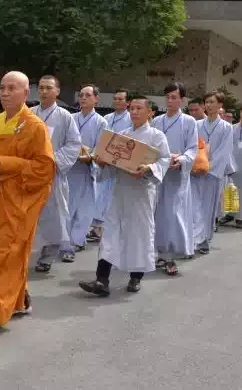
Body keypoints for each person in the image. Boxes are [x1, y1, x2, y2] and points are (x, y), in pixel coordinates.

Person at [0, 71, 56, 345]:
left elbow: (44, 168)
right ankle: (19, 299)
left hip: (17, 203)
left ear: (25, 94)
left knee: (3, 256)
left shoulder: (34, 126)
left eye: (12, 88)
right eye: (2, 87)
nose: (5, 93)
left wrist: (7, 164)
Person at [79, 95, 171, 296]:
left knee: (139, 235)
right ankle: (102, 280)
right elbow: (112, 165)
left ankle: (136, 277)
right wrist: (102, 163)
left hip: (141, 193)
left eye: (139, 108)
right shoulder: (121, 135)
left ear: (150, 112)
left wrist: (149, 167)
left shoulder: (157, 136)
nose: (135, 112)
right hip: (120, 191)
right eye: (132, 108)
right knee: (110, 233)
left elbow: (164, 161)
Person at [31, 76, 82, 273]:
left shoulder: (64, 116)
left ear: (57, 91)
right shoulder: (30, 113)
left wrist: (53, 160)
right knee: (31, 215)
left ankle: (48, 255)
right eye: (41, 88)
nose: (44, 91)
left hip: (52, 174)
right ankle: (28, 250)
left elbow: (74, 144)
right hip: (31, 173)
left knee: (53, 216)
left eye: (48, 88)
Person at [153, 82, 198, 275]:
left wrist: (180, 159)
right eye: (168, 97)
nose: (170, 101)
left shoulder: (189, 122)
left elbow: (193, 149)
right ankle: (158, 253)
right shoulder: (156, 121)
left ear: (182, 100)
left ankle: (171, 256)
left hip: (176, 176)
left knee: (173, 215)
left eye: (174, 97)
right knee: (156, 215)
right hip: (157, 175)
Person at [64, 85, 107, 261]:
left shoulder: (100, 122)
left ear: (96, 98)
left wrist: (90, 156)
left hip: (87, 169)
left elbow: (101, 146)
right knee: (66, 207)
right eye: (81, 95)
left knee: (83, 209)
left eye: (88, 95)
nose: (83, 98)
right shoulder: (71, 118)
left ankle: (74, 243)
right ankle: (64, 241)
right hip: (69, 168)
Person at [191, 91, 235, 254]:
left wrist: (208, 166)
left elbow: (224, 151)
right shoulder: (197, 125)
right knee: (194, 205)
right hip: (195, 172)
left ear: (220, 105)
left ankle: (203, 240)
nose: (208, 105)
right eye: (206, 102)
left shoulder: (226, 128)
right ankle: (192, 238)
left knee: (208, 207)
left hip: (212, 173)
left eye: (211, 102)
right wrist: (195, 165)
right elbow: (192, 146)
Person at [90, 89, 132, 241]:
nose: (117, 101)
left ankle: (115, 228)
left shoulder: (130, 118)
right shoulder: (107, 117)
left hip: (121, 162)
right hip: (106, 160)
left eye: (121, 99)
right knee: (101, 195)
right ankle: (97, 227)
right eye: (115, 98)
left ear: (128, 102)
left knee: (116, 196)